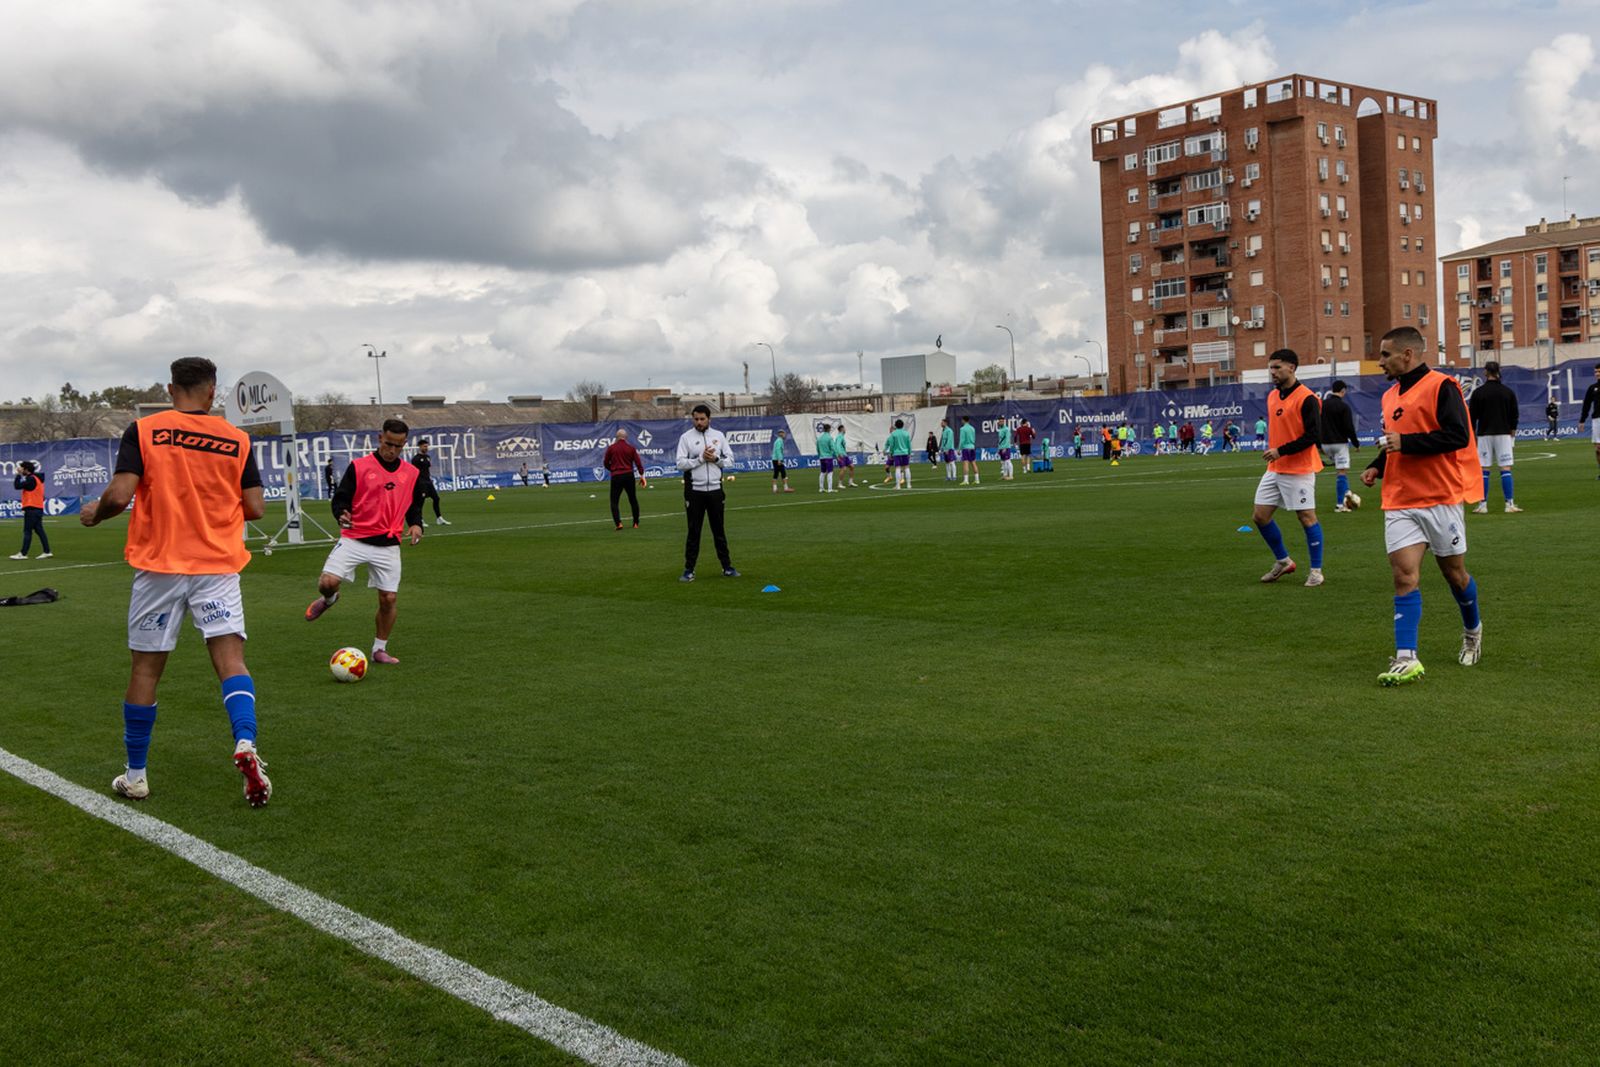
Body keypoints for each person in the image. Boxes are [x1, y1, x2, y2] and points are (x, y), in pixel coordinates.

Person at [79, 356, 270, 807]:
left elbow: (122, 494)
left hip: (161, 565)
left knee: (146, 670)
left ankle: (136, 775)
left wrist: (95, 514)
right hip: (217, 566)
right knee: (231, 663)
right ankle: (245, 742)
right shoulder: (237, 439)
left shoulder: (145, 430)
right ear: (212, 390)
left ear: (170, 389)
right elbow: (256, 507)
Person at [1359, 326, 1485, 686]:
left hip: (1440, 498)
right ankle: (1406, 657)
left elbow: (1457, 435)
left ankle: (1472, 630)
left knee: (1454, 575)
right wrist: (1377, 465)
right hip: (1399, 500)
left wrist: (1406, 443)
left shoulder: (1441, 386)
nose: (1380, 362)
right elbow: (1393, 443)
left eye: (1385, 355)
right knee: (1404, 576)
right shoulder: (1389, 396)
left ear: (1407, 355)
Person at [304, 418, 426, 666]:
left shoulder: (411, 473)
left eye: (398, 446)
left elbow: (414, 503)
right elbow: (340, 499)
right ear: (380, 438)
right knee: (327, 582)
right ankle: (330, 599)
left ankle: (379, 650)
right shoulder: (359, 467)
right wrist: (342, 513)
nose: (392, 450)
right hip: (355, 538)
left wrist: (416, 523)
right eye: (389, 443)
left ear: (404, 444)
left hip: (388, 544)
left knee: (389, 599)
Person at [1254, 349, 1326, 587]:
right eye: (1270, 367)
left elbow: (1313, 436)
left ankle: (1316, 571)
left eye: (1277, 367)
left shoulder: (1307, 398)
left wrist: (1280, 450)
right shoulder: (1273, 396)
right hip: (1275, 468)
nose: (1272, 372)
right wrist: (1277, 455)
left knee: (1306, 518)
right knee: (1260, 516)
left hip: (1299, 469)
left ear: (1292, 368)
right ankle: (1284, 561)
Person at [676, 404, 738, 581]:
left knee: (719, 531)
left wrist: (716, 459)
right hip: (694, 492)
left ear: (709, 419)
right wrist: (700, 459)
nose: (699, 422)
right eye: (696, 419)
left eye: (702, 419)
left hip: (716, 491)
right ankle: (689, 570)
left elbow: (730, 460)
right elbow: (680, 463)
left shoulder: (718, 436)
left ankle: (727, 567)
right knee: (694, 531)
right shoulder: (686, 438)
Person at [1467, 361, 1522, 514]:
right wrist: (1513, 432)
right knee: (1505, 468)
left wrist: (1473, 434)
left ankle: (1483, 505)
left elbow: (1472, 417)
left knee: (1484, 469)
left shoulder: (1478, 393)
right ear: (1499, 371)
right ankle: (1509, 504)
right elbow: (1514, 415)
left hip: (1484, 434)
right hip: (1503, 433)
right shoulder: (1507, 392)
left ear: (1485, 372)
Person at [1319, 379, 1362, 512]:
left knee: (1341, 473)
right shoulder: (1344, 407)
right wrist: (1356, 443)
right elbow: (1349, 427)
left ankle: (1347, 494)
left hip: (1325, 444)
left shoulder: (1322, 405)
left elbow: (1316, 424)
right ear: (1343, 391)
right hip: (1339, 444)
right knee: (1341, 473)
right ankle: (1340, 505)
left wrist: (1318, 444)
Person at [603, 427, 647, 528]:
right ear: (625, 437)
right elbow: (638, 463)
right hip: (628, 475)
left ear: (617, 437)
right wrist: (642, 475)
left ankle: (618, 523)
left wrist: (613, 469)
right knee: (633, 499)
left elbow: (605, 462)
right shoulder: (631, 448)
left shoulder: (611, 448)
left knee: (614, 501)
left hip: (616, 476)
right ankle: (635, 523)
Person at [10, 460, 51, 560]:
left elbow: (17, 486)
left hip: (31, 508)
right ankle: (47, 551)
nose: (20, 469)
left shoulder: (31, 479)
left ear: (26, 470)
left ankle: (23, 553)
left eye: (22, 468)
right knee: (39, 530)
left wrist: (18, 475)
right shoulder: (36, 478)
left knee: (27, 531)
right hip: (37, 508)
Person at [409, 438, 450, 526]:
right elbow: (413, 472)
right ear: (420, 447)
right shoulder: (415, 459)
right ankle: (420, 519)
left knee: (436, 498)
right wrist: (416, 483)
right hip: (420, 483)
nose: (426, 448)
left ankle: (439, 518)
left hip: (428, 482)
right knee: (420, 501)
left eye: (427, 446)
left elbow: (427, 469)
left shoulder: (427, 457)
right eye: (424, 446)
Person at [1579, 363, 1600, 478]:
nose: (1597, 374)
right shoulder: (1592, 388)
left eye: (1599, 372)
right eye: (1596, 372)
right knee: (1597, 450)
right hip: (1597, 420)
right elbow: (1586, 405)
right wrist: (1582, 420)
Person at [886, 418, 914, 488]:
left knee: (897, 468)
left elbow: (892, 445)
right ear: (903, 425)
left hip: (896, 453)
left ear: (896, 425)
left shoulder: (893, 434)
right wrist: (909, 452)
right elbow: (909, 444)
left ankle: (898, 485)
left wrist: (891, 453)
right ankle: (908, 485)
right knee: (907, 467)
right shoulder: (906, 433)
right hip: (905, 452)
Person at [771, 429, 794, 494]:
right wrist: (779, 460)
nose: (785, 435)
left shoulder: (778, 441)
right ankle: (785, 488)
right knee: (783, 473)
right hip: (777, 459)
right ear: (781, 434)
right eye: (784, 434)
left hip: (775, 459)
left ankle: (775, 489)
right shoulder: (779, 441)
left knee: (776, 474)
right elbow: (778, 450)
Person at [816, 421, 836, 493]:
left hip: (822, 457)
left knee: (822, 472)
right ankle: (830, 489)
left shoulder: (819, 438)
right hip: (828, 457)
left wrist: (820, 454)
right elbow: (833, 448)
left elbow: (817, 448)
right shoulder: (829, 438)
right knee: (830, 472)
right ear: (829, 429)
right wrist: (835, 455)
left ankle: (821, 488)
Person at [959, 416, 979, 484]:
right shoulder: (972, 428)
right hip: (972, 447)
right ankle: (977, 479)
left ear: (963, 420)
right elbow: (974, 438)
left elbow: (962, 440)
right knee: (974, 463)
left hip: (966, 448)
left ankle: (966, 480)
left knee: (965, 464)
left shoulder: (962, 429)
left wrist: (959, 449)